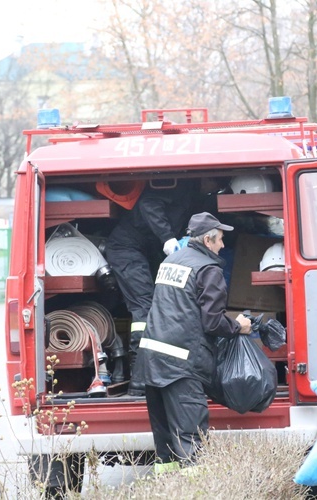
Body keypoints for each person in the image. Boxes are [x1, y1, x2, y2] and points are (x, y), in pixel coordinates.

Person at [134, 212, 252, 471]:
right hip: (181, 365)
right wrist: (238, 326)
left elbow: (178, 307)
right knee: (191, 442)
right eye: (220, 239)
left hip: (152, 362)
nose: (223, 245)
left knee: (165, 445)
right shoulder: (208, 270)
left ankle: (167, 488)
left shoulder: (171, 261)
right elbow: (212, 322)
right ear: (208, 240)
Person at [105, 180, 196, 396]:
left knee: (159, 307)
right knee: (143, 310)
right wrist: (167, 237)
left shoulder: (195, 195)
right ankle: (139, 379)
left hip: (147, 251)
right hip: (126, 248)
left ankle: (153, 373)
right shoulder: (178, 187)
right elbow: (148, 205)